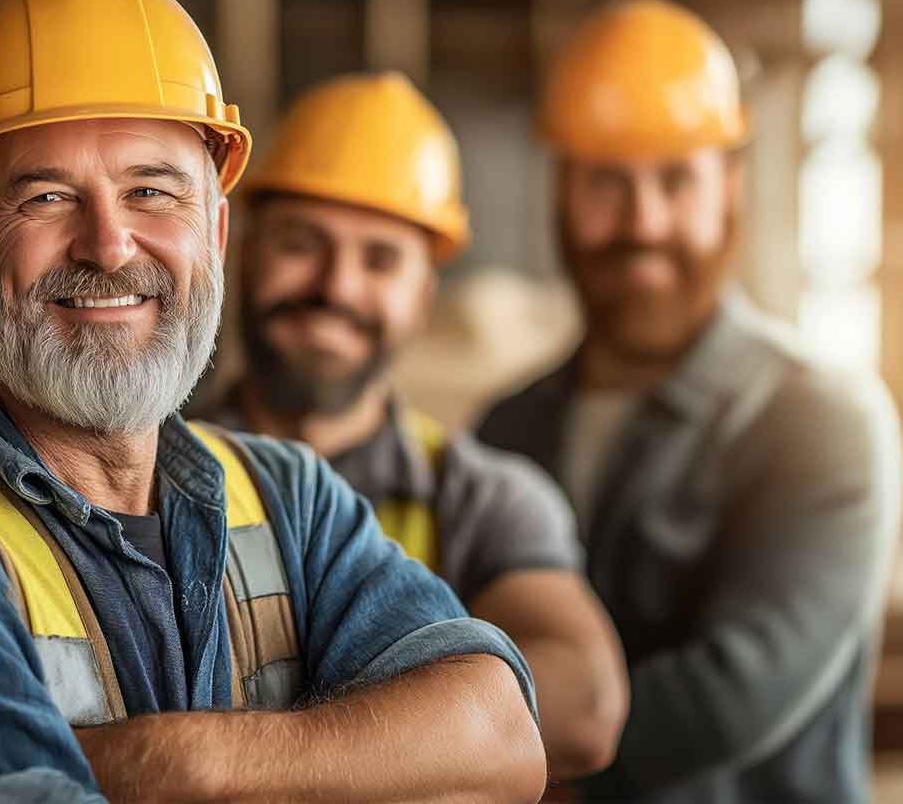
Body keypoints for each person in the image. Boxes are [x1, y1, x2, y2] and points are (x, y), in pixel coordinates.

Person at [0, 0, 546, 803]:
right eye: (47, 197)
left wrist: (176, 766)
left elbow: (501, 740)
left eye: (151, 192)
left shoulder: (288, 500)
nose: (109, 245)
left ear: (214, 231)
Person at [476, 0, 903, 802]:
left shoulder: (820, 421)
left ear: (731, 188)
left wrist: (470, 761)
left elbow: (728, 697)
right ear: (561, 191)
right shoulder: (509, 428)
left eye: (676, 180)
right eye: (607, 182)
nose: (644, 223)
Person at [214, 70, 627, 780]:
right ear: (241, 251)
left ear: (424, 293)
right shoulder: (134, 470)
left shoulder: (483, 497)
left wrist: (232, 757)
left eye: (380, 259)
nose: (337, 286)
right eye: (301, 242)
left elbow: (584, 708)